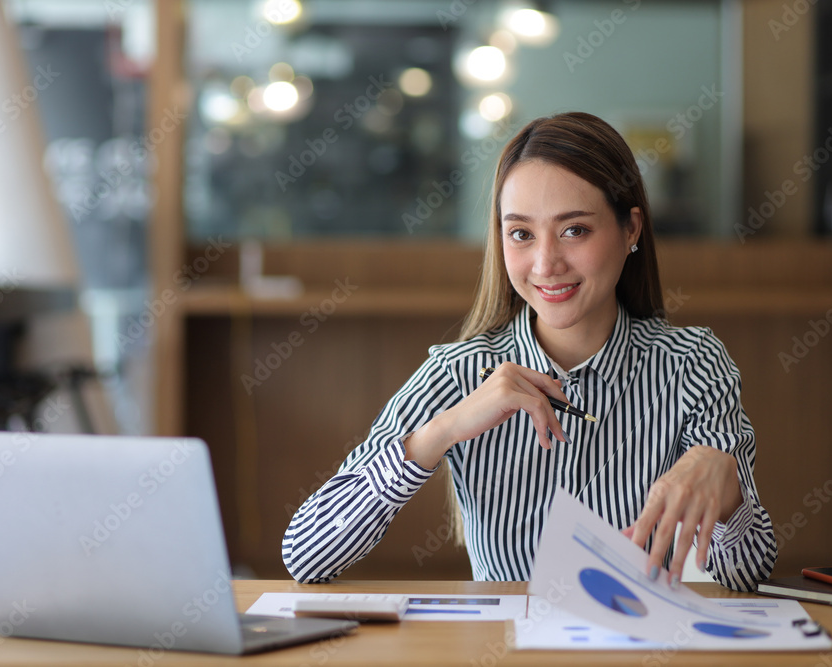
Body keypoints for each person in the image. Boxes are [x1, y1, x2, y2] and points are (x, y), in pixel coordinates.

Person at [283, 112, 776, 592]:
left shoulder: (692, 364)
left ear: (631, 229)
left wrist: (728, 490)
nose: (546, 263)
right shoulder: (457, 373)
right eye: (521, 233)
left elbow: (747, 574)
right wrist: (440, 433)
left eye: (574, 230)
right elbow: (306, 553)